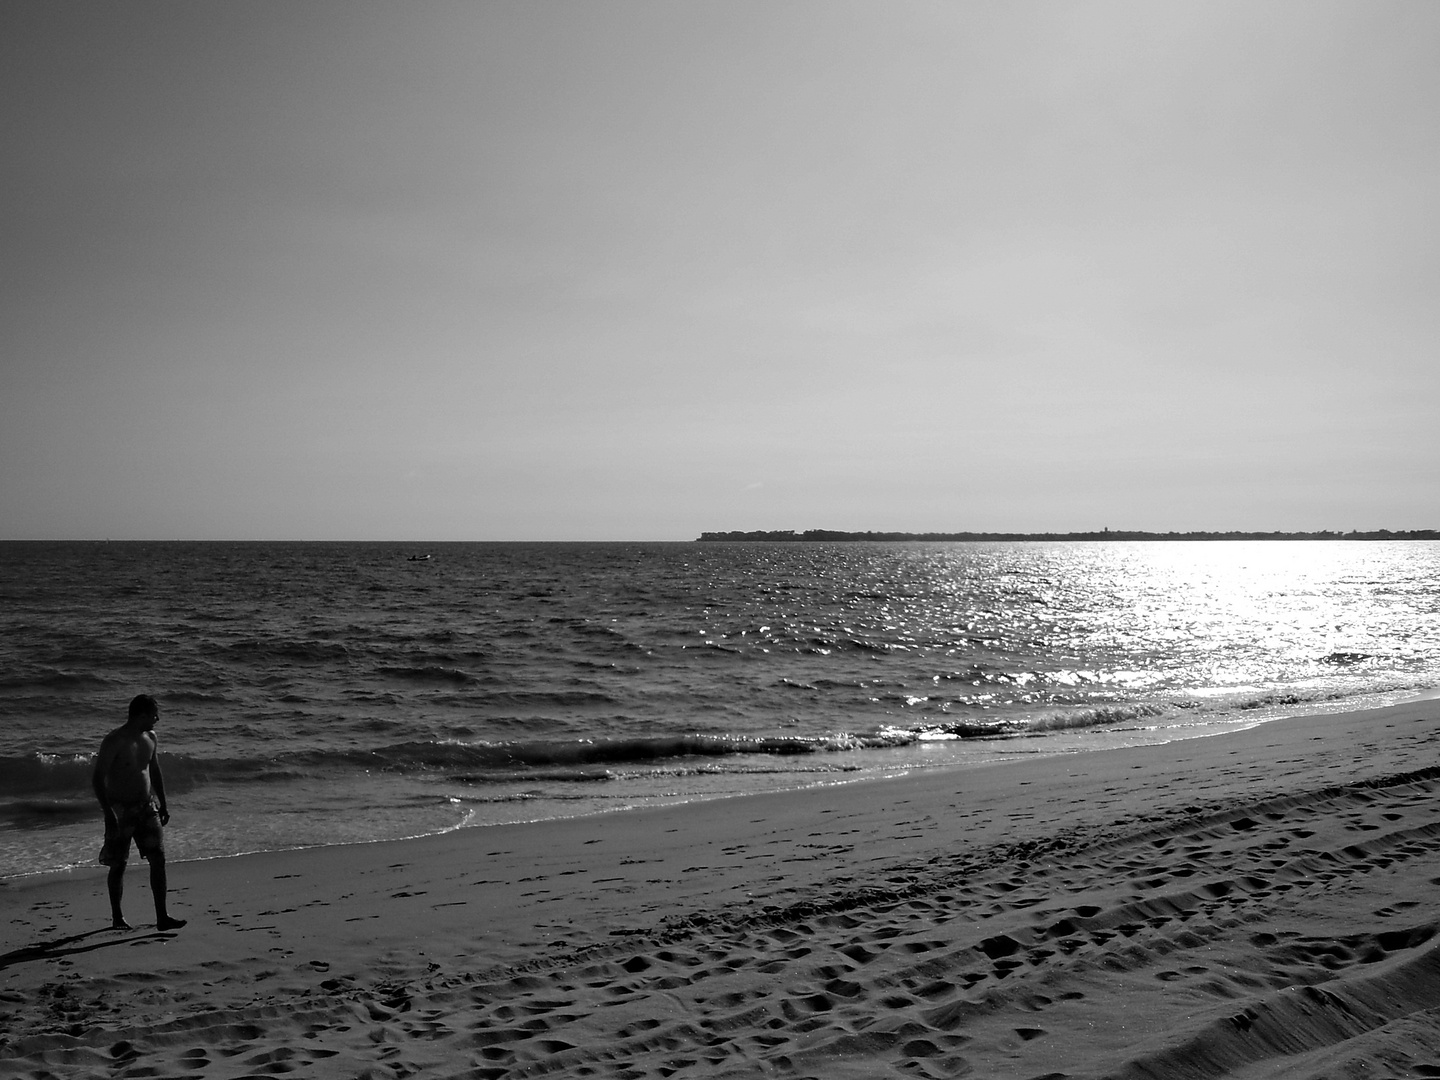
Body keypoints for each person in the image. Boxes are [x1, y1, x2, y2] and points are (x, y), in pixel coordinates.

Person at [92, 694, 186, 931]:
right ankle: (117, 917)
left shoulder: (151, 738)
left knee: (158, 859)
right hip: (120, 810)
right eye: (154, 715)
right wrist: (108, 812)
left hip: (146, 807)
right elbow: (98, 778)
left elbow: (154, 770)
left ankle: (162, 917)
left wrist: (163, 803)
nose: (157, 719)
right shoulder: (114, 740)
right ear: (141, 715)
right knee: (118, 863)